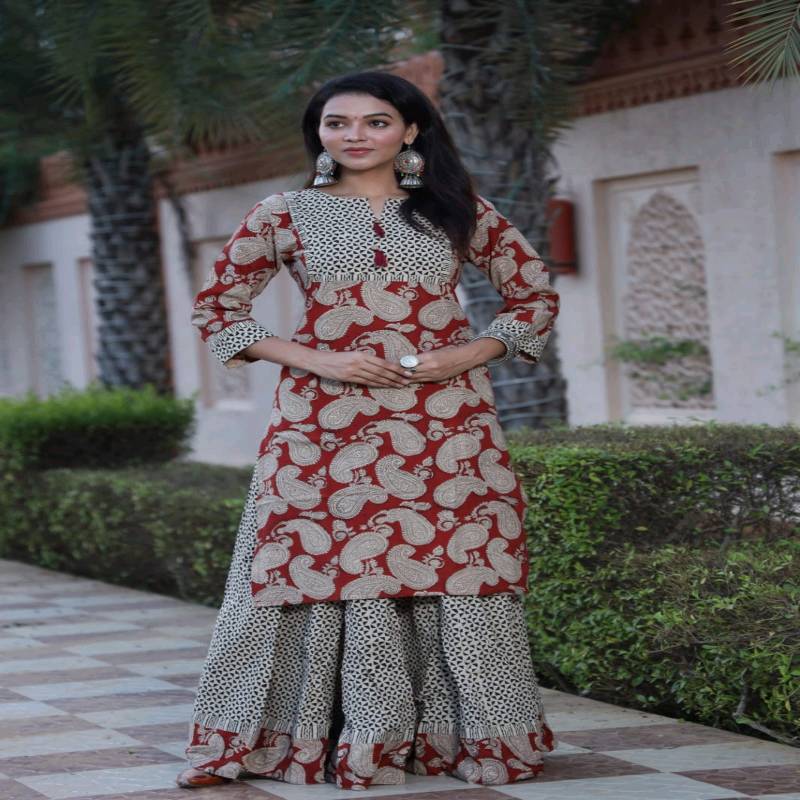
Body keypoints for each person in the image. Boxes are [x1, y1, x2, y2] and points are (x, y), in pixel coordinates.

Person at [178, 69, 561, 791]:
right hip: (322, 421)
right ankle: (301, 740)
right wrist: (319, 359)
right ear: (319, 134)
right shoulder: (282, 214)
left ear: (410, 131)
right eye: (337, 123)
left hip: (446, 420)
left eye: (375, 122)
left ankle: (470, 739)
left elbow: (533, 295)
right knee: (308, 564)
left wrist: (467, 353)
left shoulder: (458, 210)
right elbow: (218, 310)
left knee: (459, 567)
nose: (354, 135)